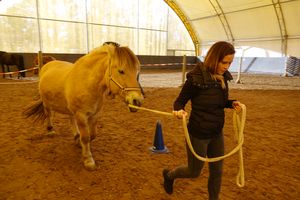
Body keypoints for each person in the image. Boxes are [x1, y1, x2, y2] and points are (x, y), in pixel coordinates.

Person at [162, 41, 242, 200]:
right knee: (194, 171)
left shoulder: (223, 77)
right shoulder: (196, 79)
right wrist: (179, 110)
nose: (227, 66)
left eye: (230, 62)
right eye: (224, 62)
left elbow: (218, 103)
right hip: (198, 134)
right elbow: (179, 101)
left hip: (216, 133)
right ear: (214, 58)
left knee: (217, 171)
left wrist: (231, 103)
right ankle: (169, 176)